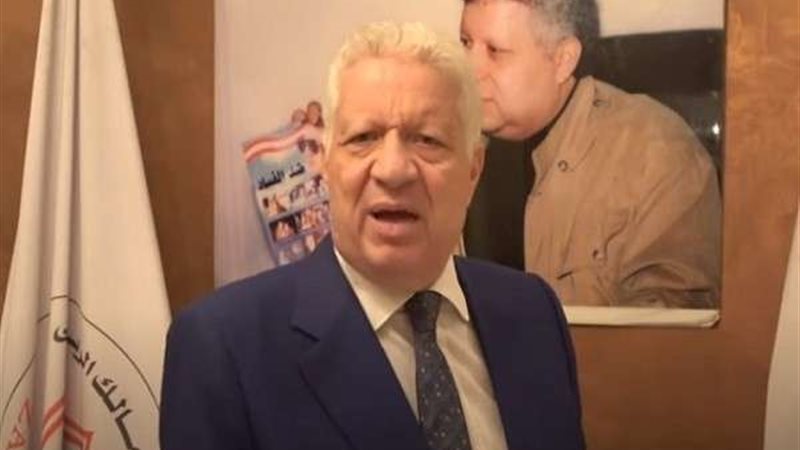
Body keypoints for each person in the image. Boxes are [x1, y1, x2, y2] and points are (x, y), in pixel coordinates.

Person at [161, 21, 584, 450]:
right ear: (326, 163)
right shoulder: (221, 347)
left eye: (427, 140)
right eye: (363, 138)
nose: (393, 170)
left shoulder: (534, 313)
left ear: (473, 171)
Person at [460, 0, 721, 308]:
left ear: (563, 60)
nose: (468, 69)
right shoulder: (448, 140)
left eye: (494, 51)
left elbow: (673, 323)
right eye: (466, 43)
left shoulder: (656, 152)